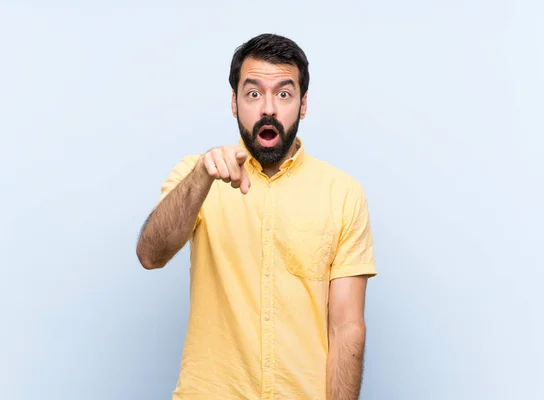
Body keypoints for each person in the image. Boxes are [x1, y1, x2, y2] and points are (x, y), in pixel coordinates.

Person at [136, 33, 377, 400]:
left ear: (303, 104)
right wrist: (202, 177)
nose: (268, 109)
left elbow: (346, 327)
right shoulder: (195, 175)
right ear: (234, 103)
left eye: (284, 93)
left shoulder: (342, 193)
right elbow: (150, 255)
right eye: (253, 93)